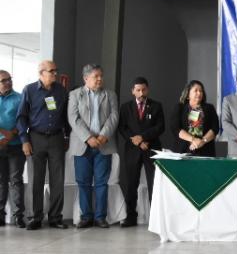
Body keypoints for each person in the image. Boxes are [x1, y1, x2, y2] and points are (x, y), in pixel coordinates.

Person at [16, 60, 69, 230]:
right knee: (35, 181)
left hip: (56, 139)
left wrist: (66, 137)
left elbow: (65, 116)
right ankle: (35, 217)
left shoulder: (61, 90)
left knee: (58, 180)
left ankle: (55, 217)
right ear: (41, 73)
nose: (55, 73)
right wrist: (24, 140)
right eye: (51, 71)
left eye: (56, 70)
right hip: (35, 139)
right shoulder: (29, 90)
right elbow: (21, 117)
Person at [68, 64, 119, 228]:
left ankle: (100, 217)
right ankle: (86, 216)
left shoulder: (110, 94)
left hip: (104, 144)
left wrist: (104, 135)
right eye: (96, 76)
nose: (100, 79)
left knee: (101, 182)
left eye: (101, 76)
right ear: (86, 78)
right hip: (82, 144)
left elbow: (114, 116)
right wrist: (88, 137)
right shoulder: (75, 94)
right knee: (83, 182)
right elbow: (73, 118)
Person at [118, 76, 165, 227]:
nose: (141, 92)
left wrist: (143, 138)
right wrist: (136, 141)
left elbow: (160, 127)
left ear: (148, 89)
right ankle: (131, 216)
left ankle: (155, 218)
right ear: (133, 91)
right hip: (132, 150)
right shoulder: (126, 107)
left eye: (144, 89)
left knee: (154, 184)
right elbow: (122, 128)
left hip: (151, 148)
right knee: (131, 183)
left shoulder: (156, 106)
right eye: (138, 90)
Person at [0, 71, 26, 227]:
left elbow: (24, 118)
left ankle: (18, 216)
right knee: (1, 182)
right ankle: (1, 216)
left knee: (16, 181)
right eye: (4, 81)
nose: (8, 82)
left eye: (10, 79)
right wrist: (4, 135)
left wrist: (12, 134)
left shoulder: (19, 98)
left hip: (16, 146)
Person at [171, 80, 219, 157]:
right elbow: (175, 128)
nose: (199, 93)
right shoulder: (180, 107)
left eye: (201, 91)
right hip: (183, 150)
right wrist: (193, 140)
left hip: (205, 151)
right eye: (195, 91)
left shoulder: (209, 108)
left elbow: (215, 128)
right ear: (188, 94)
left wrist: (202, 141)